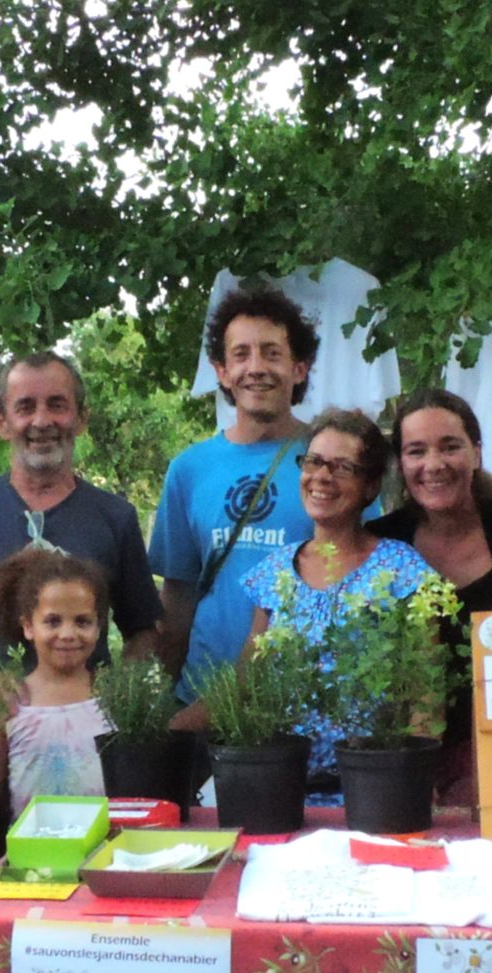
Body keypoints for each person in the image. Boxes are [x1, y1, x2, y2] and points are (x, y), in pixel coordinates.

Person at [369, 388, 492, 806]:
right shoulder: (382, 545)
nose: (434, 465)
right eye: (416, 451)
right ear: (400, 465)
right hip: (416, 766)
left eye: (450, 447)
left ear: (476, 452)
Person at [0, 351, 161, 664]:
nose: (41, 421)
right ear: (2, 422)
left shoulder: (115, 517)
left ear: (81, 418)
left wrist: (112, 697)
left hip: (84, 711)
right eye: (25, 407)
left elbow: (142, 633)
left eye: (57, 405)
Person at [235, 408, 438, 794]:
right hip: (286, 788)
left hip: (373, 787)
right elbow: (248, 683)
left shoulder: (400, 569)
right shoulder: (275, 572)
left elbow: (426, 691)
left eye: (342, 467)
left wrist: (415, 782)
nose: (322, 477)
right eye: (313, 462)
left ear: (370, 486)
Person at [149, 287, 326, 701]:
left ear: (300, 368)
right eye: (241, 354)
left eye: (272, 353)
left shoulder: (330, 461)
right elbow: (178, 596)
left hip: (305, 705)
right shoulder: (189, 470)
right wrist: (162, 703)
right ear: (221, 371)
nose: (256, 367)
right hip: (202, 699)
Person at [0, 547, 113, 858]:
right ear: (28, 626)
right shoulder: (8, 705)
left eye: (82, 622)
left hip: (106, 864)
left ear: (99, 627)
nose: (68, 633)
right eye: (53, 621)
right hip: (29, 868)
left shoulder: (116, 699)